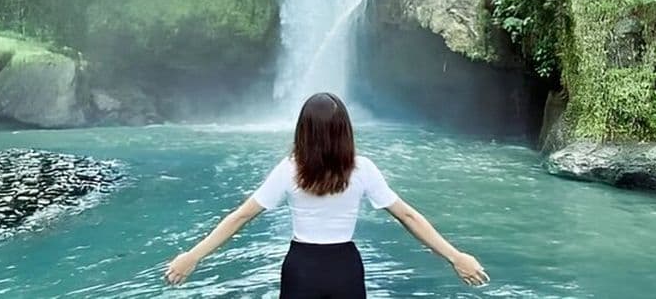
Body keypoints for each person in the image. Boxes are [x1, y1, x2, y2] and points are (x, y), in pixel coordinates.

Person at [165, 92, 489, 297]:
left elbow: (241, 217)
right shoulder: (362, 169)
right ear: (345, 131)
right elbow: (408, 216)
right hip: (344, 268)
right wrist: (455, 256)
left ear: (302, 131)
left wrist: (193, 255)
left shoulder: (289, 169)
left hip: (301, 268)